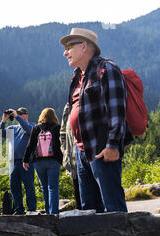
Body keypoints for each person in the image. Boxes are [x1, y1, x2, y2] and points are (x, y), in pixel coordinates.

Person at [60, 27, 131, 213]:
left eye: (69, 46)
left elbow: (117, 111)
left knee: (112, 205)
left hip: (102, 148)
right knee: (89, 210)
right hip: (81, 150)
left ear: (84, 46)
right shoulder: (77, 77)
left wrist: (113, 145)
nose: (65, 52)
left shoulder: (106, 70)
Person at [23, 108, 63, 214]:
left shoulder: (36, 128)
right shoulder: (57, 128)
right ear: (54, 116)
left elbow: (30, 145)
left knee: (44, 187)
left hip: (38, 161)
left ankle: (47, 211)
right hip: (53, 161)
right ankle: (53, 212)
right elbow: (62, 144)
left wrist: (25, 160)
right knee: (53, 187)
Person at [0, 107, 36, 215]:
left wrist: (17, 117)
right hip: (13, 162)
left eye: (22, 114)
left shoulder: (32, 126)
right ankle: (18, 209)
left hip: (27, 161)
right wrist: (3, 120)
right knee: (15, 187)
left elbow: (29, 130)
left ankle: (31, 209)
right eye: (18, 113)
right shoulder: (13, 128)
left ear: (27, 115)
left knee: (29, 185)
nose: (19, 115)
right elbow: (0, 134)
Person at [60, 103, 81, 210]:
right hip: (73, 161)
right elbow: (62, 133)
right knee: (79, 198)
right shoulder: (69, 105)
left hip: (90, 159)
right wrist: (65, 152)